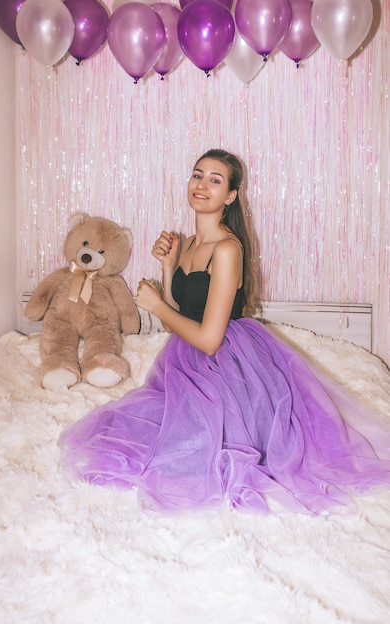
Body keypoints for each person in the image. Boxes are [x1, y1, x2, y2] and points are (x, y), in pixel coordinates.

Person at [59, 149, 390, 514]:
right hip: (186, 359)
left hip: (227, 363)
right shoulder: (187, 244)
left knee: (196, 446)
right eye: (197, 175)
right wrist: (169, 268)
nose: (202, 185)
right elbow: (178, 319)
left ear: (230, 196)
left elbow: (210, 338)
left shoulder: (228, 249)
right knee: (147, 429)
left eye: (215, 180)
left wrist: (154, 306)